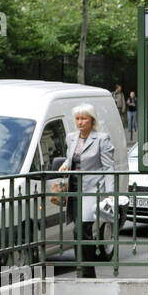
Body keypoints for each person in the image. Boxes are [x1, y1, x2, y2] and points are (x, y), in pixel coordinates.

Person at [54, 103, 116, 279]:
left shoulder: (102, 139)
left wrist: (111, 193)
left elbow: (108, 168)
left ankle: (85, 272)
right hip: (74, 190)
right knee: (80, 231)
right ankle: (85, 271)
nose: (80, 122)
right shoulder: (71, 138)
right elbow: (71, 158)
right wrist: (66, 165)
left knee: (80, 230)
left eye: (84, 119)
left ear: (92, 121)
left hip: (91, 191)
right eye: (77, 119)